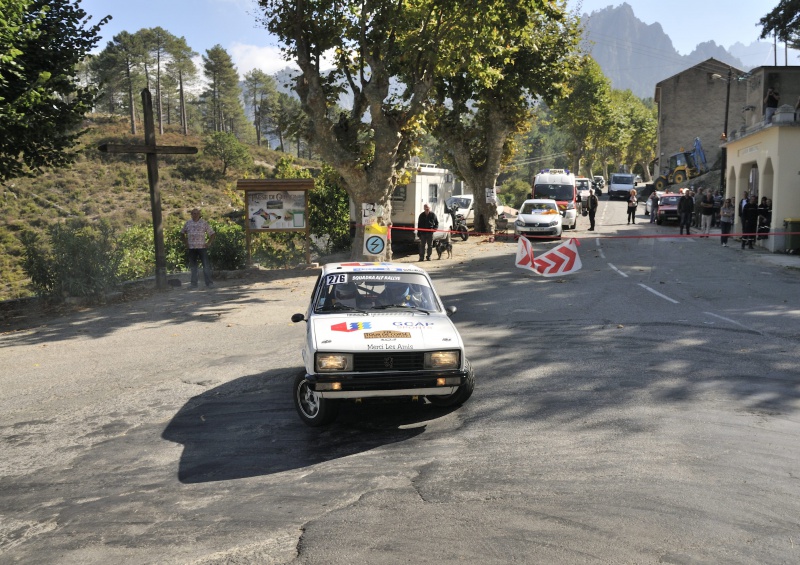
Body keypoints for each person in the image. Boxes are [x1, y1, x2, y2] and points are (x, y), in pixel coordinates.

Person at [181, 207, 215, 288]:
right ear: (191, 215)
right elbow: (182, 233)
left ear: (199, 214)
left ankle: (209, 283)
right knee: (193, 266)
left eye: (197, 213)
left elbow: (212, 233)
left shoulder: (204, 223)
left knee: (206, 265)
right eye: (193, 213)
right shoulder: (188, 223)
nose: (195, 215)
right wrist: (186, 243)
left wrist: (208, 243)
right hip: (192, 247)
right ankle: (193, 284)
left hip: (202, 247)